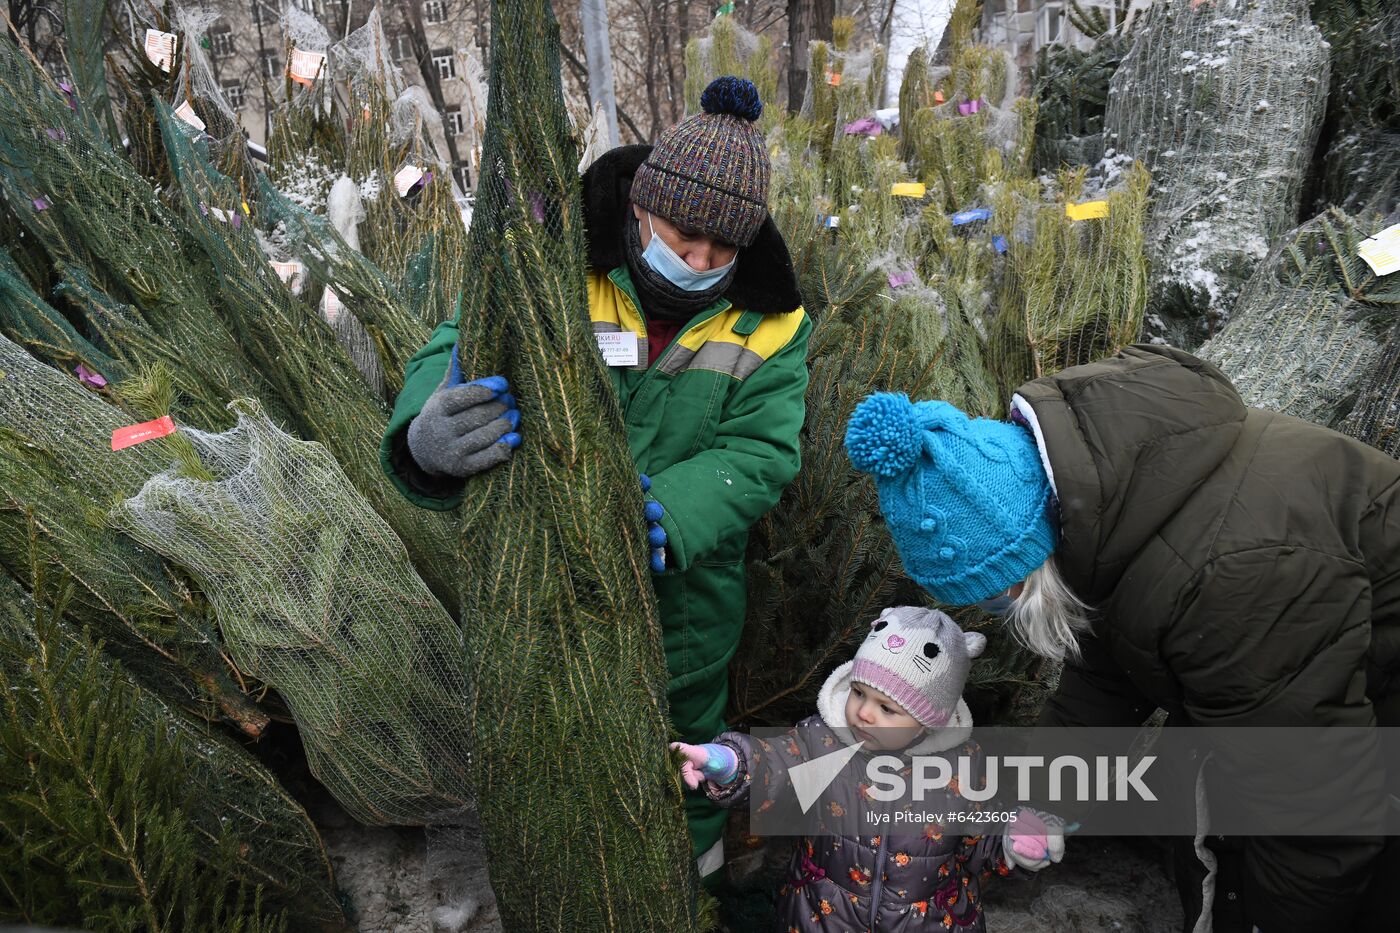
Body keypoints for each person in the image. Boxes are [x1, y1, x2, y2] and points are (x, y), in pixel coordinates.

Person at [379, 76, 810, 882]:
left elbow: (759, 453)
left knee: (677, 738)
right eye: (684, 235)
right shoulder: (556, 262)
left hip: (683, 598)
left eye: (724, 248)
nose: (700, 260)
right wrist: (425, 430)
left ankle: (691, 872)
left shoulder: (773, 322)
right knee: (549, 728)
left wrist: (668, 514)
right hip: (542, 576)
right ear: (643, 207)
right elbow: (455, 344)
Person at [843, 344, 1400, 932]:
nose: (993, 613)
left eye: (994, 593)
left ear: (1027, 562)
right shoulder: (1107, 506)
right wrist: (1044, 803)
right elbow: (1101, 677)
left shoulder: (1224, 581)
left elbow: (1314, 801)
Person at [671, 606, 1065, 931]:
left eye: (887, 708)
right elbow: (775, 767)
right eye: (859, 692)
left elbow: (980, 833)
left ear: (929, 721)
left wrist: (1011, 839)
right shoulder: (822, 740)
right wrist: (730, 763)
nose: (863, 712)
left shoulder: (962, 767)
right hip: (823, 916)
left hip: (929, 922)